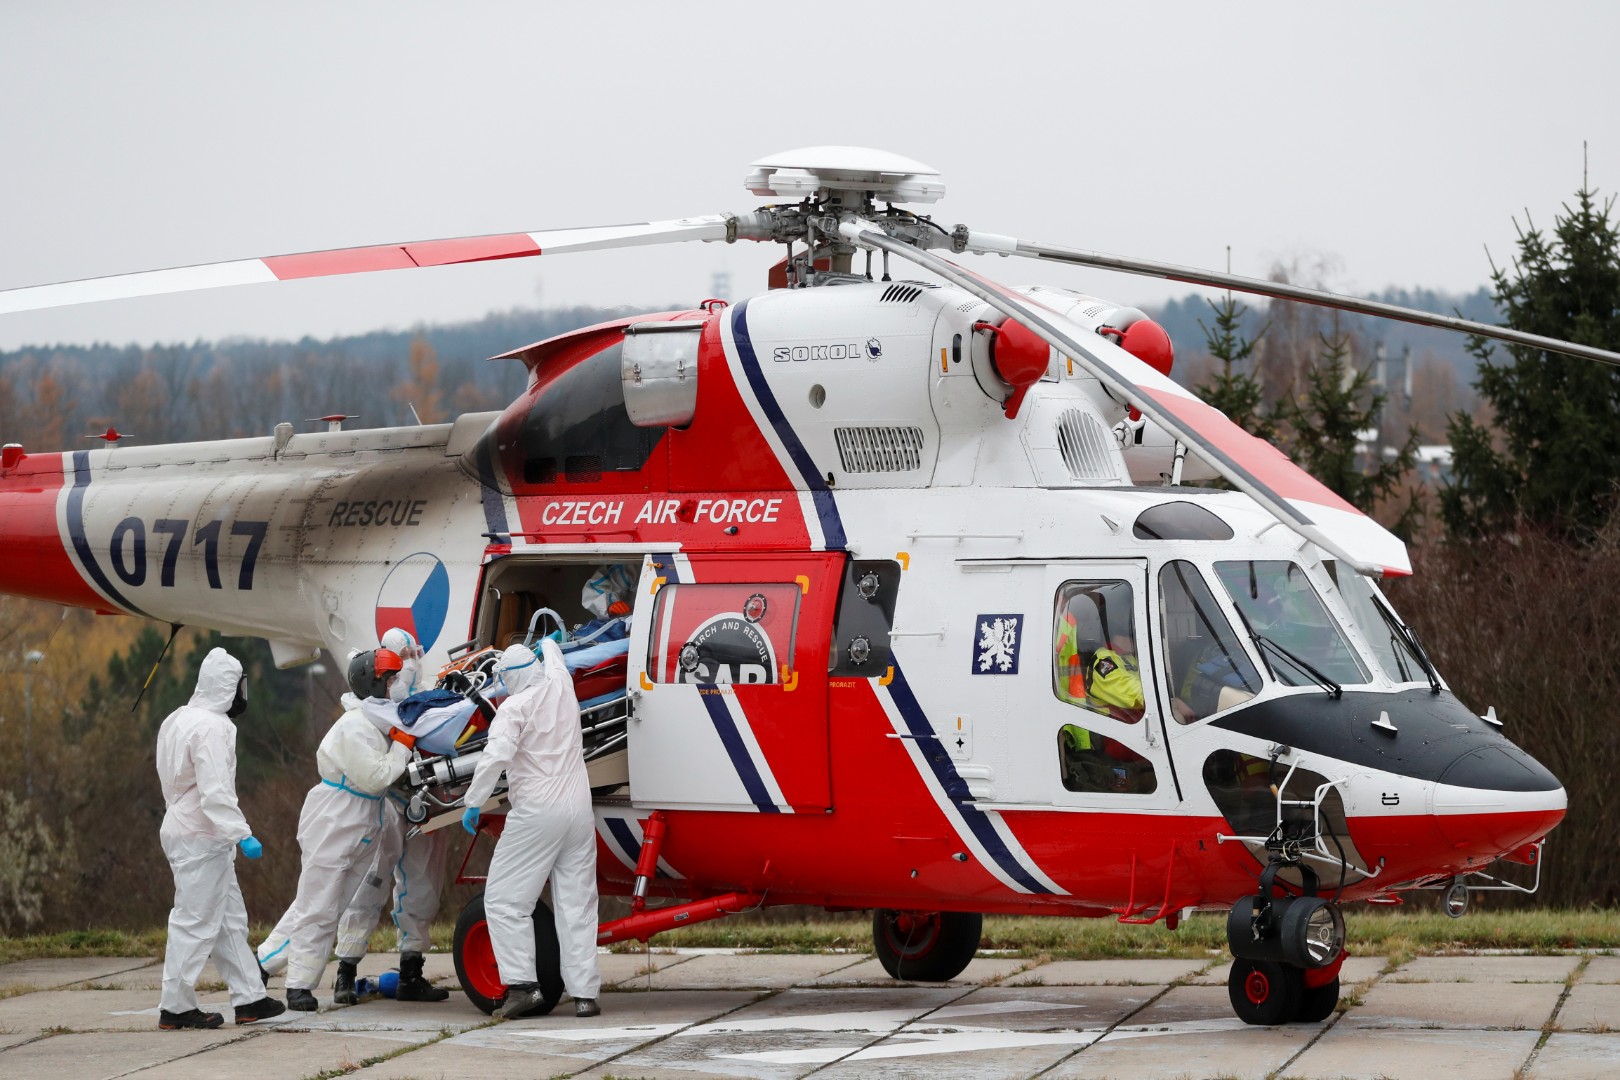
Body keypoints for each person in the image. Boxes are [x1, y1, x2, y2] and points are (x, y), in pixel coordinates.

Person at [255, 648, 418, 1011]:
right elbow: (376, 777)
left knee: (324, 904)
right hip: (337, 818)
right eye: (390, 680)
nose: (396, 687)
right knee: (319, 907)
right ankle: (298, 986)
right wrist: (402, 749)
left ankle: (262, 964)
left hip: (360, 818)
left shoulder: (373, 719)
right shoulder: (354, 727)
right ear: (373, 684)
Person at [461, 640, 601, 1020]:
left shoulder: (514, 709)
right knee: (578, 902)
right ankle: (585, 994)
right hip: (578, 810)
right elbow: (555, 654)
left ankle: (523, 986)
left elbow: (495, 757)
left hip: (538, 812)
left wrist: (474, 800)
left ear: (511, 677)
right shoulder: (560, 684)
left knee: (505, 900)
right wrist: (548, 641)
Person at [155, 647, 285, 1030]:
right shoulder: (214, 727)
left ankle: (250, 998)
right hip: (203, 835)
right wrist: (241, 833)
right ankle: (175, 1007)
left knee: (229, 921)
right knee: (194, 922)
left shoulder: (176, 719)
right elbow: (214, 791)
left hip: (187, 828)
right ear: (230, 687)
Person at [326, 627, 452, 1006]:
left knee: (424, 887)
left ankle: (411, 971)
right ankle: (345, 971)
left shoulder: (430, 692)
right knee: (369, 884)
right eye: (397, 666)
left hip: (426, 800)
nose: (405, 671)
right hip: (385, 805)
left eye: (411, 658)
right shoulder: (364, 708)